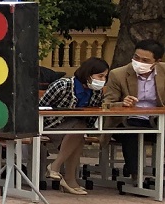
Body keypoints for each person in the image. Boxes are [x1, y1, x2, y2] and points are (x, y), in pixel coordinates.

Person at [42, 57, 108, 195]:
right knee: (79, 129)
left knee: (79, 131)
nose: (103, 80)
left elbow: (92, 116)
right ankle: (59, 170)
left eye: (105, 77)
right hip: (49, 125)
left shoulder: (96, 92)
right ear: (88, 74)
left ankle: (66, 177)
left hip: (75, 130)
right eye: (100, 76)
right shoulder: (62, 85)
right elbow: (41, 107)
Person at [103, 39, 163, 185]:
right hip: (126, 120)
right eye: (136, 57)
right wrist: (122, 104)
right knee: (131, 131)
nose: (139, 62)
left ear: (157, 61)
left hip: (156, 120)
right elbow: (106, 104)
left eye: (145, 60)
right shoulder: (118, 74)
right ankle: (136, 176)